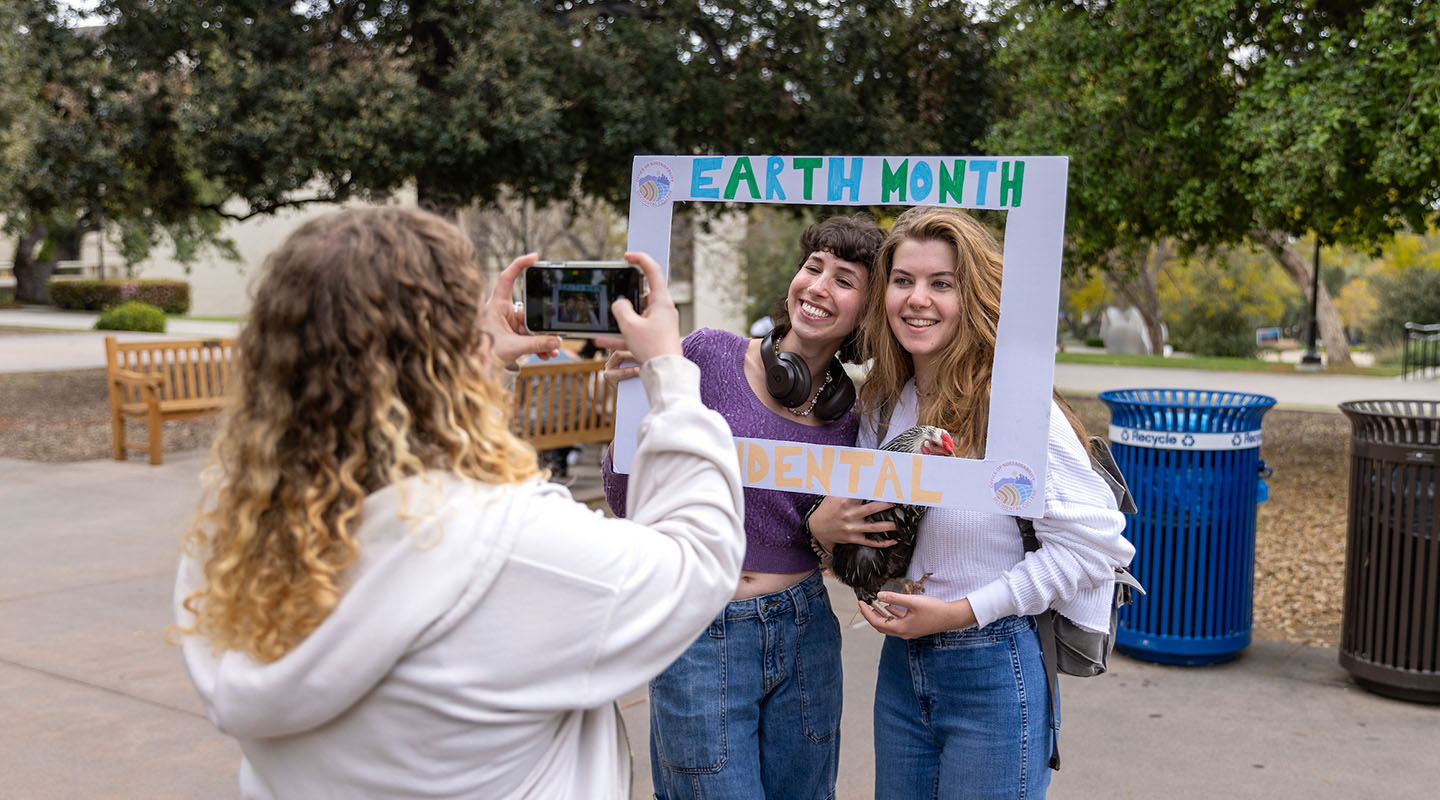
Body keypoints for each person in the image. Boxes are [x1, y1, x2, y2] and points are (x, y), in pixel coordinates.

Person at [170, 207, 746, 799]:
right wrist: (670, 377)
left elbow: (417, 453)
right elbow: (698, 559)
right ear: (447, 357)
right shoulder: (513, 545)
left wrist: (475, 368)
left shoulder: (234, 526)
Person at [807, 207, 1135, 799]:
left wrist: (963, 610)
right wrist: (830, 529)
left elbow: (1098, 546)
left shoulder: (1010, 403)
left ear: (974, 295)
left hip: (993, 668)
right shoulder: (885, 404)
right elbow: (866, 530)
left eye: (942, 284)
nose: (917, 300)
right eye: (903, 281)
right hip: (901, 672)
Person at [601, 214, 887, 799]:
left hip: (805, 625)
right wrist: (629, 420)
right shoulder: (706, 356)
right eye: (813, 268)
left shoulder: (851, 421)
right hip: (701, 625)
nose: (818, 287)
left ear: (867, 309)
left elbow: (831, 540)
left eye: (844, 280)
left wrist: (822, 535)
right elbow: (628, 501)